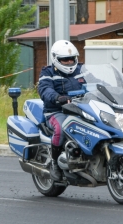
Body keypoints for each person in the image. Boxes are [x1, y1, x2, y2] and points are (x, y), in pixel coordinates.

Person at [38, 40, 86, 181]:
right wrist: (58, 98)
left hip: (81, 109)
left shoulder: (82, 70)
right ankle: (55, 164)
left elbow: (99, 82)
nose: (69, 62)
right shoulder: (47, 72)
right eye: (65, 59)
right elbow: (45, 90)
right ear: (56, 59)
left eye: (72, 59)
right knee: (61, 128)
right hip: (57, 111)